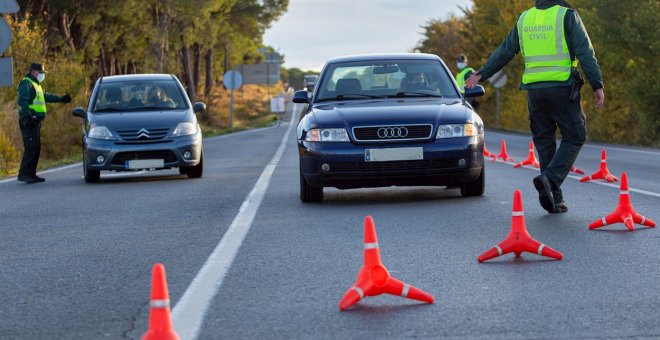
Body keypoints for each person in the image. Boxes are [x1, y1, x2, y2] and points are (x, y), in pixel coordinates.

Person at [465, 0, 605, 213]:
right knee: (576, 135)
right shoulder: (567, 15)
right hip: (562, 88)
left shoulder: (525, 18)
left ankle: (554, 199)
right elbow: (585, 52)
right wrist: (597, 84)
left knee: (544, 142)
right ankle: (550, 179)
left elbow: (506, 51)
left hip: (535, 92)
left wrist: (483, 73)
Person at [17, 63, 71, 184]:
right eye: (40, 72)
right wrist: (28, 116)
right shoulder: (26, 83)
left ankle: (31, 174)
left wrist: (61, 99)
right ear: (33, 72)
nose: (42, 75)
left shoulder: (36, 85)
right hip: (28, 121)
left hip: (35, 121)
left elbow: (46, 96)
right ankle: (24, 174)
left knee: (36, 147)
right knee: (31, 147)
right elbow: (22, 101)